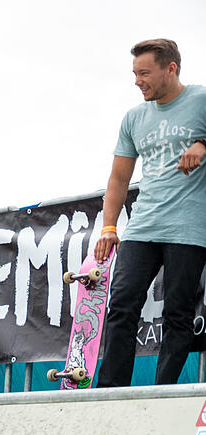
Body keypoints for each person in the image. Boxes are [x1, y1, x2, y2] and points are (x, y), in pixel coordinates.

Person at [94, 39, 206, 387]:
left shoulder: (201, 100)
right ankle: (111, 391)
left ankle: (162, 394)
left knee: (178, 314)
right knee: (122, 304)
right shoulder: (134, 118)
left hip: (189, 227)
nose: (137, 81)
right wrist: (109, 227)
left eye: (144, 73)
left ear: (170, 68)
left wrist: (203, 144)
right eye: (135, 73)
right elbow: (118, 178)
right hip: (142, 226)